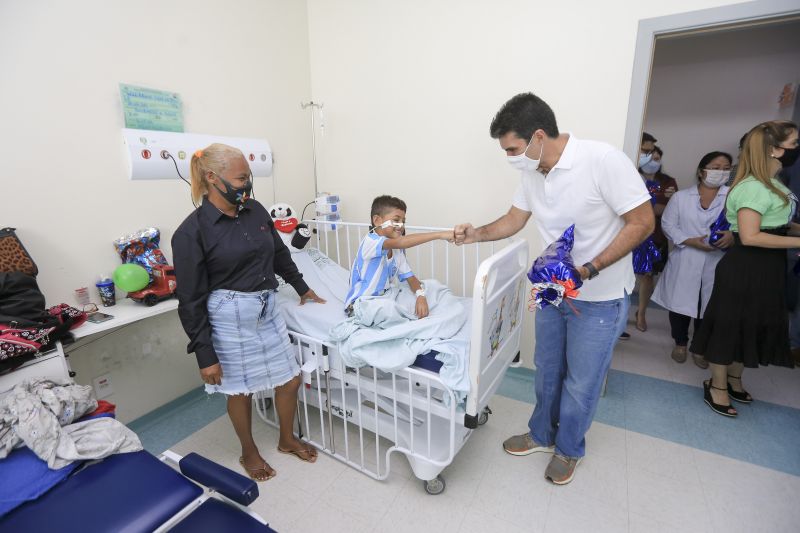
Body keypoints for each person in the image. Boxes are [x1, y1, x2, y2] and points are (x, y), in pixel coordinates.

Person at [454, 93, 654, 484]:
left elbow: (642, 222)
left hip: (600, 297)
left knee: (582, 379)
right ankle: (542, 434)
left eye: (512, 148)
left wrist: (590, 268)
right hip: (552, 292)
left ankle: (569, 448)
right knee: (546, 369)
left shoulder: (603, 162)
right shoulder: (532, 173)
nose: (510, 157)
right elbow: (514, 219)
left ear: (539, 136)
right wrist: (475, 234)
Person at [172, 143, 326, 481]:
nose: (247, 184)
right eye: (241, 178)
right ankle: (249, 451)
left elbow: (278, 254)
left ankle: (286, 439)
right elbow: (190, 299)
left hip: (267, 308)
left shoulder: (255, 211)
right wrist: (204, 353)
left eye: (248, 177)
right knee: (240, 390)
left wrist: (303, 288)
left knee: (290, 379)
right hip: (229, 315)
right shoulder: (191, 232)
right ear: (212, 178)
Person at [690, 121, 799, 417]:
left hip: (768, 267)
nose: (796, 149)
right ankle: (717, 387)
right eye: (793, 143)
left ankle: (735, 379)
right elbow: (750, 235)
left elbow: (775, 223)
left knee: (753, 324)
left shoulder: (774, 185)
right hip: (747, 265)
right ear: (775, 150)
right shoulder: (753, 187)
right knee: (730, 327)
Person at [651, 151, 733, 369]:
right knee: (680, 305)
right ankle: (680, 343)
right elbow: (668, 225)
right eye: (716, 167)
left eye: (726, 168)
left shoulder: (733, 196)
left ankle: (699, 347)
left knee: (707, 306)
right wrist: (688, 240)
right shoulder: (681, 197)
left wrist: (732, 237)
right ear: (701, 171)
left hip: (717, 260)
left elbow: (741, 225)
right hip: (686, 256)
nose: (721, 172)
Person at [345, 195, 453, 316]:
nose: (401, 225)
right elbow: (401, 242)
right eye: (396, 220)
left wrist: (420, 296)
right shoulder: (370, 242)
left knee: (432, 286)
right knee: (388, 308)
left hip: (386, 297)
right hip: (361, 304)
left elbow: (411, 279)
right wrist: (440, 235)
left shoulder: (397, 251)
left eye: (403, 221)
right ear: (377, 220)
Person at [635, 144, 678, 332]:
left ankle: (641, 313)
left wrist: (648, 206)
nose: (652, 161)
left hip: (655, 235)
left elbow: (668, 209)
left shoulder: (668, 181)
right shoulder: (632, 176)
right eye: (648, 157)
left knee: (647, 276)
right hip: (631, 232)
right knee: (624, 274)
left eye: (656, 158)